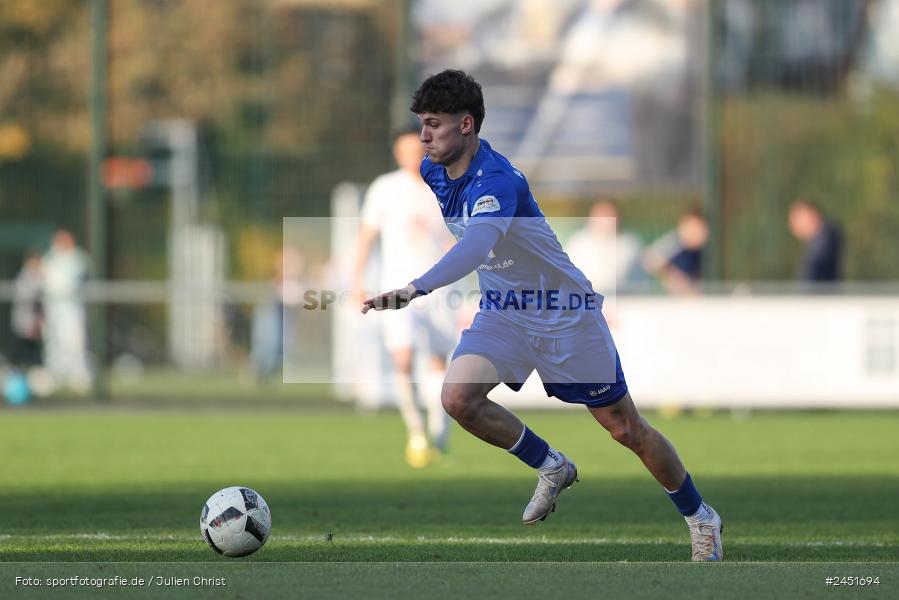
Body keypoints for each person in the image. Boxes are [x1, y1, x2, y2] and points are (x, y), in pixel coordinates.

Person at [361, 70, 723, 561]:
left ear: (466, 124)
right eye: (421, 125)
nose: (423, 137)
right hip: (505, 312)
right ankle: (551, 465)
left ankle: (701, 518)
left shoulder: (499, 181)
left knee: (625, 429)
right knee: (457, 398)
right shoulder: (432, 171)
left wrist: (416, 288)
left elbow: (476, 247)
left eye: (433, 125)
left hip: (563, 313)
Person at [354, 125, 457, 468]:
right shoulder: (385, 189)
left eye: (418, 149)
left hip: (438, 287)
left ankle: (439, 426)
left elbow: (461, 236)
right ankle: (416, 432)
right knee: (403, 358)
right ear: (397, 153)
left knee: (438, 360)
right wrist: (357, 279)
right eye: (406, 150)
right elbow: (366, 236)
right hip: (396, 288)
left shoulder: (445, 184)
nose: (412, 156)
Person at [42, 229, 91, 393]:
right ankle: (55, 375)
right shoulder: (50, 259)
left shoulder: (77, 258)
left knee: (74, 341)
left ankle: (79, 376)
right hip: (54, 309)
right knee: (54, 344)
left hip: (72, 310)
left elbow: (73, 282)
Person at [565, 200, 645, 296]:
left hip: (623, 299)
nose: (605, 221)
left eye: (609, 216)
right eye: (601, 216)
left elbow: (639, 280)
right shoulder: (577, 243)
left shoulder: (629, 245)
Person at [643, 208, 708, 295]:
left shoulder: (705, 251)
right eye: (691, 227)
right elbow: (649, 260)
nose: (694, 232)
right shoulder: (675, 243)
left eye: (698, 228)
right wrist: (674, 279)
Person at [788, 200, 842, 282]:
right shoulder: (817, 241)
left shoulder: (824, 238)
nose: (794, 227)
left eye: (797, 219)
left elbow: (814, 271)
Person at [10, 251, 44, 367]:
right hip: (25, 322)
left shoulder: (40, 277)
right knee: (22, 351)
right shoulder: (23, 278)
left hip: (35, 324)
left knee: (34, 352)